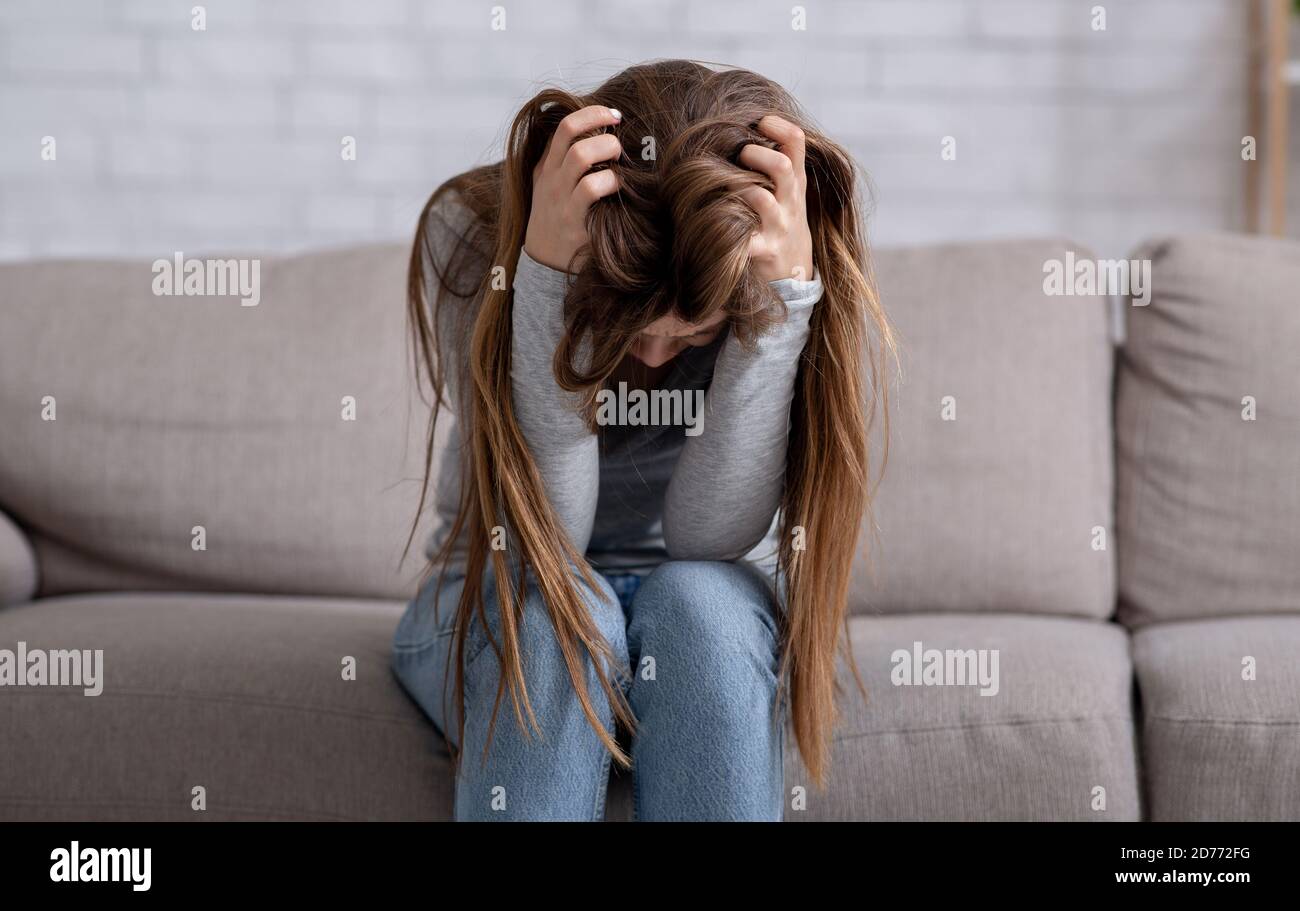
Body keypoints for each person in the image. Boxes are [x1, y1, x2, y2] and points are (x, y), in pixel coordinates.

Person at [391, 59, 894, 821]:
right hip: (503, 586)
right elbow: (550, 541)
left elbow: (707, 538)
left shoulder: (783, 261)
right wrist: (546, 285)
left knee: (700, 607)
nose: (656, 359)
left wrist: (779, 312)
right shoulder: (470, 237)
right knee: (567, 626)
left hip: (702, 596)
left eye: (692, 335)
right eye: (633, 329)